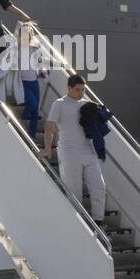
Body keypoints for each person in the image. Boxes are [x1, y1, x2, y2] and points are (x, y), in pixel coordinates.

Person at [42, 75, 106, 222]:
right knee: (74, 190)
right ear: (69, 88)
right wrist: (47, 149)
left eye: (83, 90)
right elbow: (49, 127)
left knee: (99, 187)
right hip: (68, 152)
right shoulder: (59, 104)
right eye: (77, 90)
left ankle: (99, 221)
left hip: (88, 151)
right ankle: (78, 222)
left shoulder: (87, 103)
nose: (81, 93)